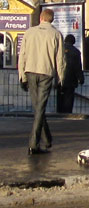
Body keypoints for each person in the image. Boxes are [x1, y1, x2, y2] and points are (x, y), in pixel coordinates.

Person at [17, 8, 66, 155]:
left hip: (30, 71)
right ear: (52, 19)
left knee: (38, 107)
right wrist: (60, 79)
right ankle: (34, 144)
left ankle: (47, 139)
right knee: (40, 108)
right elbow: (60, 60)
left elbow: (22, 55)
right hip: (46, 72)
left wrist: (22, 75)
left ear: (40, 18)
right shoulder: (56, 34)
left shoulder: (29, 32)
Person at [59, 34, 85, 113]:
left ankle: (59, 112)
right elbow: (77, 67)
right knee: (69, 97)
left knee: (60, 97)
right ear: (73, 42)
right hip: (71, 78)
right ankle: (68, 113)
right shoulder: (76, 52)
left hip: (60, 77)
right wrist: (81, 78)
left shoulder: (59, 50)